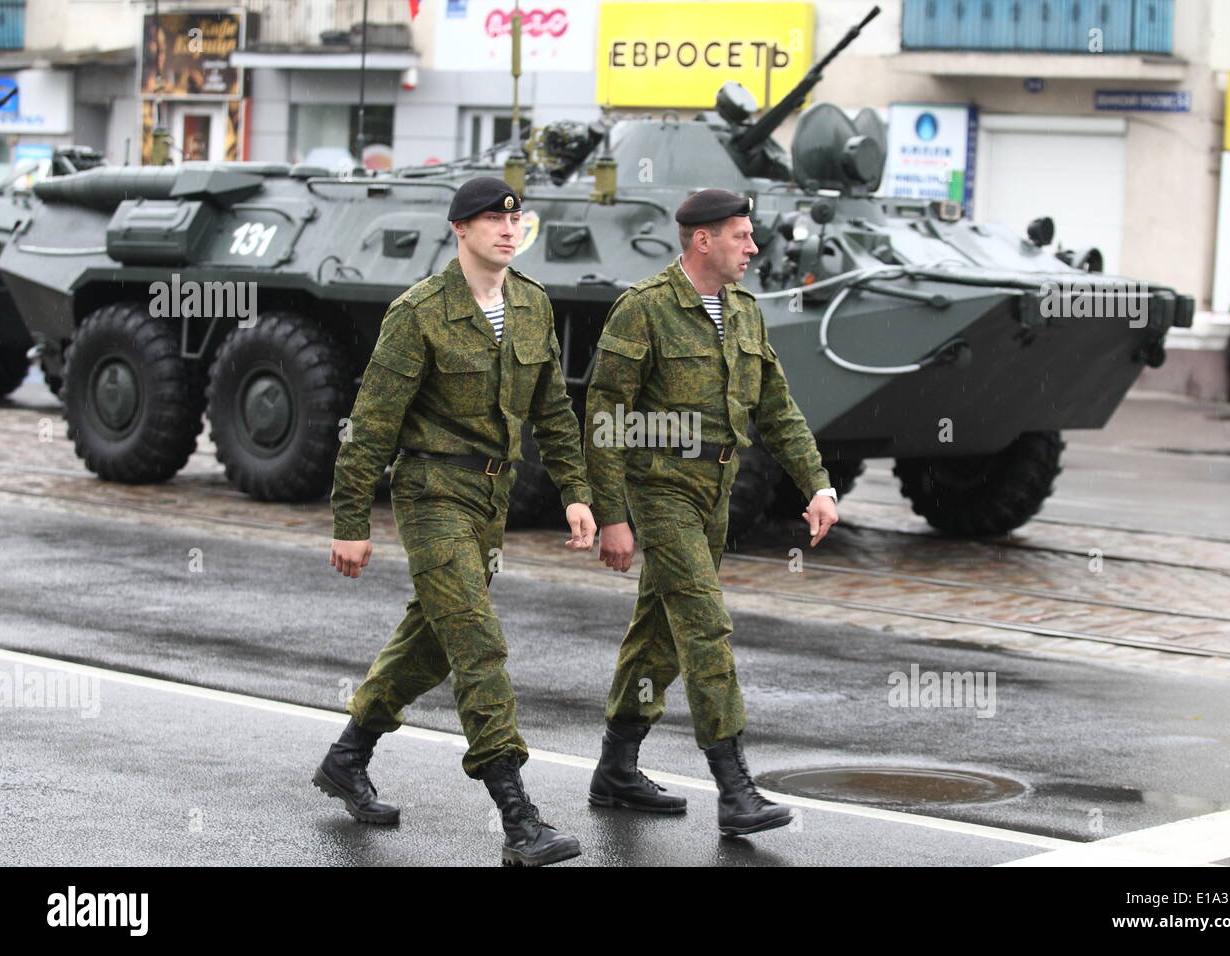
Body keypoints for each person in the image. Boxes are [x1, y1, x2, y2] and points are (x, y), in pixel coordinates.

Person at [315, 176, 596, 867]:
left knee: (434, 641)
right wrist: (352, 520)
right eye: (490, 221)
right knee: (476, 642)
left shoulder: (530, 303)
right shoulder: (419, 313)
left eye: (514, 221)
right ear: (459, 230)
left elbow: (554, 412)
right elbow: (371, 424)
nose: (507, 230)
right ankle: (518, 818)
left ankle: (347, 758)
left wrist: (577, 493)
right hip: (431, 491)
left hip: (492, 499)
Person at [584, 187, 839, 837]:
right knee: (705, 626)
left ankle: (615, 767)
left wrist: (817, 484)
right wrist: (612, 515)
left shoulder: (746, 314)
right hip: (661, 488)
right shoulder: (642, 311)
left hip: (716, 490)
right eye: (740, 235)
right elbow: (605, 418)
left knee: (660, 633)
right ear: (703, 240)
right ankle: (735, 788)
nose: (753, 247)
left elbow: (776, 408)